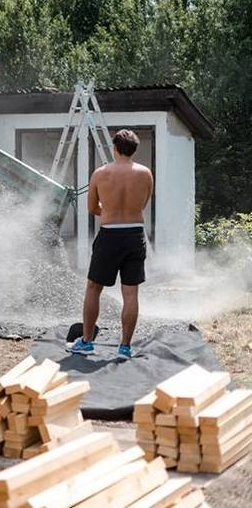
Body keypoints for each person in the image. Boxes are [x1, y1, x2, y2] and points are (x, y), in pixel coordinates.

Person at [68, 129, 153, 359]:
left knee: (94, 288)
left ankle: (86, 342)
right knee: (131, 292)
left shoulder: (100, 173)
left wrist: (110, 211)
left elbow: (92, 208)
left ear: (114, 148)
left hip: (109, 234)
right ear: (134, 149)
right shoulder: (145, 174)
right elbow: (143, 203)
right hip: (134, 234)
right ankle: (125, 347)